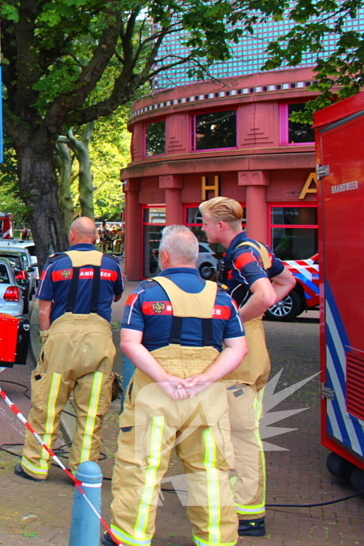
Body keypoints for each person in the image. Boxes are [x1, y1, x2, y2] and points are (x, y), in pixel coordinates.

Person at [105, 225, 247, 546]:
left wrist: (164, 378)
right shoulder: (223, 297)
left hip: (155, 396)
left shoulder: (144, 294)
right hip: (206, 399)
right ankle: (216, 539)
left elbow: (129, 343)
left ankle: (130, 536)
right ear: (195, 258)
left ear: (164, 256)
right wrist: (206, 378)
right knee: (210, 472)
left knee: (141, 467)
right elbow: (238, 348)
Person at [198, 196, 295, 537]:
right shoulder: (256, 247)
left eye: (204, 222)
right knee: (242, 429)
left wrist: (236, 322)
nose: (202, 228)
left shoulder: (241, 253)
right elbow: (286, 282)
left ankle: (248, 513)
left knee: (240, 434)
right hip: (254, 346)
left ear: (220, 225)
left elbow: (265, 295)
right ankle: (242, 505)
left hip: (242, 353)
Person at [16, 217, 124, 481]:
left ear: (72, 236)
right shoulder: (111, 265)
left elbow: (44, 309)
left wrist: (47, 339)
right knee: (91, 412)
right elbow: (116, 295)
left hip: (62, 340)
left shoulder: (56, 264)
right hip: (99, 341)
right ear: (95, 237)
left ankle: (36, 465)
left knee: (48, 405)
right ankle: (83, 471)